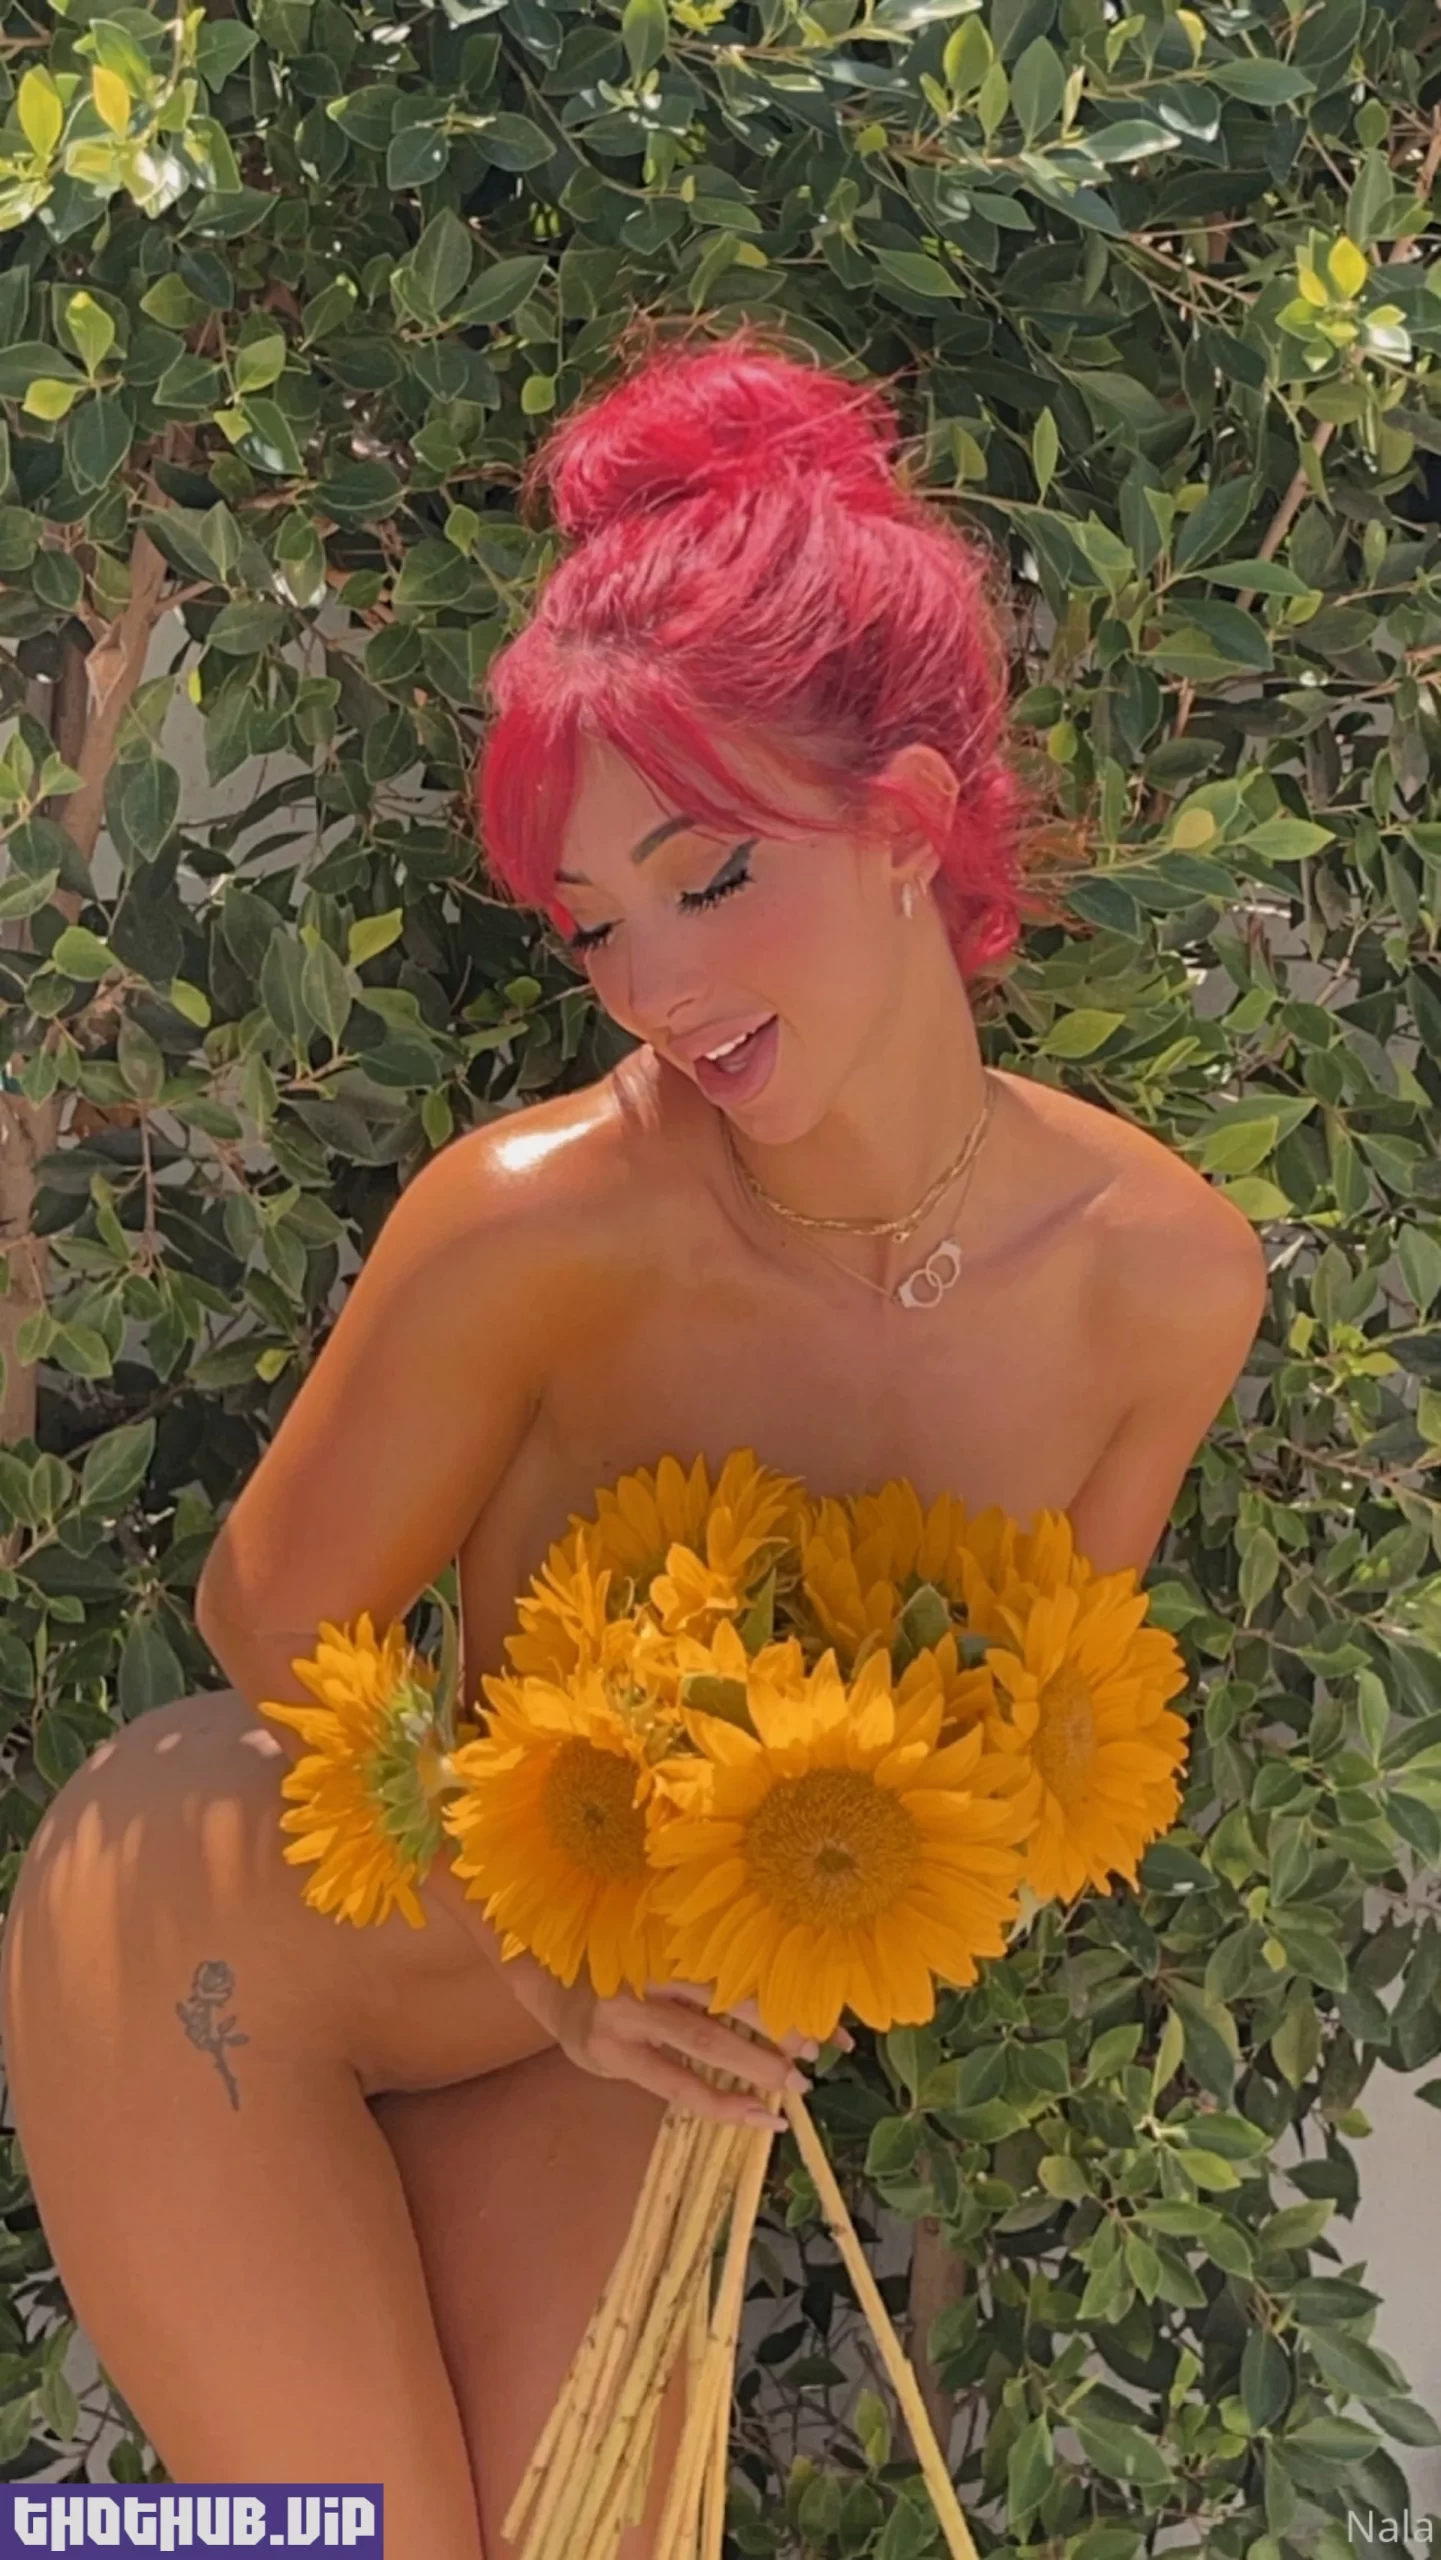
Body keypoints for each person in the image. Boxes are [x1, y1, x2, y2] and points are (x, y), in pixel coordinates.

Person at [0, 321, 1269, 2559]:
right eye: (595, 922)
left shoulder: (1160, 1282)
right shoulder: (539, 1222)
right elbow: (268, 1612)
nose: (656, 983)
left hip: (626, 2023)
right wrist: (547, 1915)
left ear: (908, 823)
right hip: (241, 1953)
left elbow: (1035, 1743)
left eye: (708, 878)